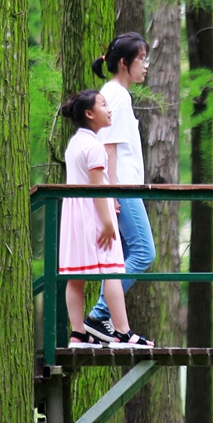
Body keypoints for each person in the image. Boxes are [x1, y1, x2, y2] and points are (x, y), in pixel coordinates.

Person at [58, 90, 152, 349]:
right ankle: (122, 332)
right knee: (113, 270)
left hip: (73, 218)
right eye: (103, 104)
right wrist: (109, 223)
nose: (109, 109)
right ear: (89, 114)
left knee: (75, 277)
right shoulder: (95, 148)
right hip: (95, 217)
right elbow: (98, 188)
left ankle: (78, 333)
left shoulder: (75, 144)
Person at [82, 32, 157, 345]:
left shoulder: (113, 93)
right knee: (143, 252)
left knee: (122, 257)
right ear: (124, 63)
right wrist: (112, 193)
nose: (146, 66)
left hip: (121, 186)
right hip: (121, 187)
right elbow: (109, 148)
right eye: (141, 59)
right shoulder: (118, 96)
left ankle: (104, 322)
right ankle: (99, 316)